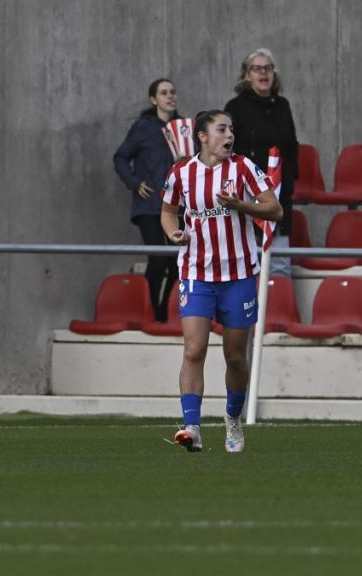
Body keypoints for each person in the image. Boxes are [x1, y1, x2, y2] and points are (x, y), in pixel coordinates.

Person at [161, 110, 282, 453]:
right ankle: (192, 427)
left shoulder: (243, 168)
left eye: (231, 129)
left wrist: (242, 205)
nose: (230, 135)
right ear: (202, 136)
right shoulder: (182, 172)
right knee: (194, 349)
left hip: (239, 275)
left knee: (235, 357)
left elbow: (275, 210)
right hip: (196, 273)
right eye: (222, 129)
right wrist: (173, 232)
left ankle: (232, 421)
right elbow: (168, 210)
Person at [224, 48, 299, 276]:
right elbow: (227, 150)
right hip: (248, 193)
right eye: (257, 68)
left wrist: (290, 179)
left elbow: (292, 147)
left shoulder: (283, 105)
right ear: (247, 76)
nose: (263, 73)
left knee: (279, 266)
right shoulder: (235, 107)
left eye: (268, 68)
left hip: (278, 196)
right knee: (245, 264)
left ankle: (277, 310)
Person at [113, 79, 182, 321]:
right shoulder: (142, 127)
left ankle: (164, 308)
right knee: (158, 257)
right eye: (164, 93)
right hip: (149, 205)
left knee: (178, 262)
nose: (170, 96)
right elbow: (120, 158)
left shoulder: (183, 127)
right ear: (154, 99)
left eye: (172, 92)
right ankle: (155, 312)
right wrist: (134, 182)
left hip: (176, 206)